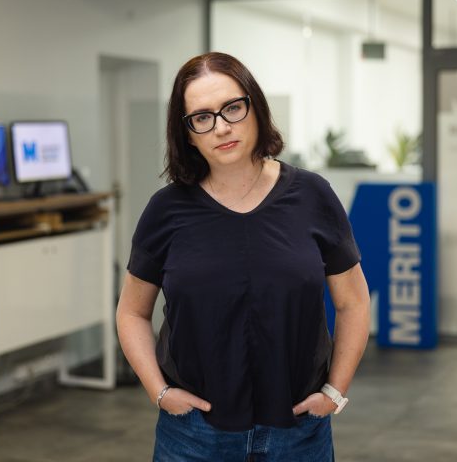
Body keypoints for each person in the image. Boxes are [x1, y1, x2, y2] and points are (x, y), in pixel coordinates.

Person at [116, 52, 370, 461]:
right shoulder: (166, 210)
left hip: (298, 434)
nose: (221, 127)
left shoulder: (312, 196)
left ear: (255, 107)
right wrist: (159, 392)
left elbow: (353, 301)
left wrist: (335, 391)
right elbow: (131, 312)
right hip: (193, 437)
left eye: (232, 108)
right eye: (202, 117)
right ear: (188, 134)